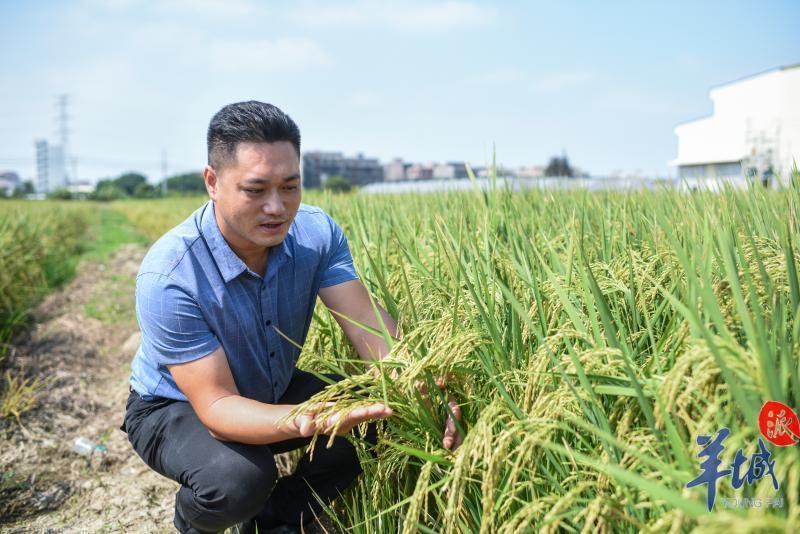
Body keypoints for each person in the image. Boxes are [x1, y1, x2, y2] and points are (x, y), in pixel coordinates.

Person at [120, 101, 461, 534]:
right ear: (212, 182)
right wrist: (308, 419)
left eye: (290, 187)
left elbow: (370, 330)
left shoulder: (316, 235)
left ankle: (276, 521)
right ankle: (193, 522)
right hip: (175, 406)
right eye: (256, 189)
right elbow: (218, 405)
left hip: (268, 384)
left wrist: (424, 388)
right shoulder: (170, 275)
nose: (277, 207)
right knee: (240, 479)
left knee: (382, 415)